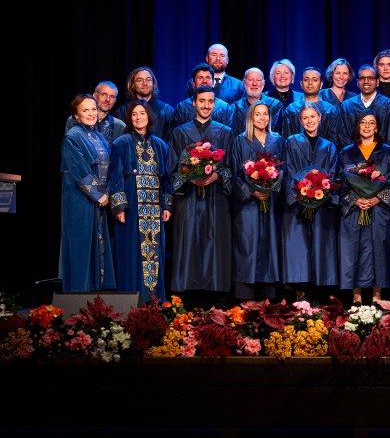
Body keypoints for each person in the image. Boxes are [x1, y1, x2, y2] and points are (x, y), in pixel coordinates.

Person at [167, 85, 235, 309]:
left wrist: (217, 175)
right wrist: (189, 177)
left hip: (216, 198)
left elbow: (232, 169)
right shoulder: (179, 133)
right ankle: (188, 297)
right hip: (189, 199)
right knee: (189, 242)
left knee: (216, 244)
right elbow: (172, 170)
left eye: (210, 101)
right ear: (194, 103)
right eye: (202, 101)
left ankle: (217, 297)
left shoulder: (225, 132)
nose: (206, 105)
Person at [108, 99, 173, 304]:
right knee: (131, 254)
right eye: (134, 114)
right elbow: (114, 177)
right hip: (132, 207)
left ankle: (153, 303)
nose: (138, 117)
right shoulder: (121, 143)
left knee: (154, 256)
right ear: (129, 118)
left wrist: (167, 206)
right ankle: (130, 305)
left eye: (142, 113)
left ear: (149, 117)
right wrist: (119, 206)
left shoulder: (160, 145)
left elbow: (166, 179)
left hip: (154, 209)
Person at [338, 110, 390, 306]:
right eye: (363, 123)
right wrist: (355, 199)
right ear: (358, 126)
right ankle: (356, 297)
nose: (366, 126)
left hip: (378, 210)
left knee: (378, 249)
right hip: (354, 210)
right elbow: (340, 181)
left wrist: (376, 198)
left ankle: (376, 297)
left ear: (377, 127)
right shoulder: (347, 152)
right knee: (354, 249)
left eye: (371, 123)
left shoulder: (387, 152)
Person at [282, 103, 340, 306]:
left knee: (321, 246)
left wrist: (322, 196)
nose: (309, 121)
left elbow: (332, 174)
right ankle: (301, 295)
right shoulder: (291, 142)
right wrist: (300, 197)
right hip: (298, 205)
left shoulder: (329, 146)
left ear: (320, 118)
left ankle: (320, 297)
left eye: (312, 117)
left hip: (322, 205)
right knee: (299, 248)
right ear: (300, 121)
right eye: (305, 118)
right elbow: (289, 171)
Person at [228, 100, 285, 303]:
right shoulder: (240, 141)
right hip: (248, 206)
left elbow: (283, 170)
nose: (262, 118)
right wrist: (251, 191)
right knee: (247, 245)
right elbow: (234, 173)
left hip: (271, 204)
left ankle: (269, 297)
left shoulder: (277, 140)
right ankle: (245, 298)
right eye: (258, 114)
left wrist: (271, 189)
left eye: (265, 114)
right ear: (251, 117)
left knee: (270, 245)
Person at [60, 94, 117, 293]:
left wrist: (106, 192)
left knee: (97, 242)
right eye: (85, 110)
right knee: (81, 244)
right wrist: (98, 194)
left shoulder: (97, 134)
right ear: (76, 115)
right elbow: (79, 169)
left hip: (99, 198)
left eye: (93, 109)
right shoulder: (73, 136)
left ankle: (96, 293)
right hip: (80, 199)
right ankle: (78, 293)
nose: (91, 113)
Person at [338, 64, 390, 148]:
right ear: (357, 83)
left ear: (377, 82)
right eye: (362, 78)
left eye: (371, 78)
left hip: (381, 157)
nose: (366, 81)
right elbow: (343, 137)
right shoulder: (346, 106)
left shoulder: (389, 105)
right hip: (353, 158)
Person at [115, 66, 176, 143]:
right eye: (140, 80)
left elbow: (171, 141)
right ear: (132, 85)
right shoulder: (122, 110)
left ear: (153, 83)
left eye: (148, 79)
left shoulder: (167, 111)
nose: (145, 83)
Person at [281, 67, 341, 144]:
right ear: (301, 84)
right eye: (306, 80)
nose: (310, 83)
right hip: (296, 154)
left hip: (324, 154)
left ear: (321, 84)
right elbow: (287, 139)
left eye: (314, 80)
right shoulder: (291, 109)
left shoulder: (331, 110)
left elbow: (334, 141)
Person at [173, 62, 233, 129]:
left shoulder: (224, 108)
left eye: (208, 78)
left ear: (213, 83)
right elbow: (178, 135)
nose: (204, 81)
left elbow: (228, 135)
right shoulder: (182, 107)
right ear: (193, 84)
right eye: (200, 78)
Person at [228, 67, 284, 137]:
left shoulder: (275, 106)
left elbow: (278, 135)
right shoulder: (234, 108)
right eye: (250, 80)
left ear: (264, 83)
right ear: (244, 82)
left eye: (258, 80)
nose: (254, 83)